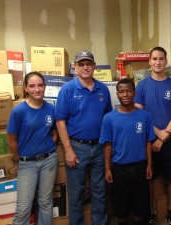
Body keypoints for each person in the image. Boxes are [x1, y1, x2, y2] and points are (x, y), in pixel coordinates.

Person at [55, 50, 112, 225]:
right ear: (75, 67)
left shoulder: (102, 89)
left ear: (94, 66)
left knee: (99, 192)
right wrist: (69, 150)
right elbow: (60, 121)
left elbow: (108, 118)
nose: (85, 67)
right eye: (81, 64)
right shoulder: (67, 89)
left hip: (99, 148)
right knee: (76, 194)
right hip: (77, 148)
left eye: (89, 64)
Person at [134, 46, 171, 225]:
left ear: (166, 61)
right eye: (154, 59)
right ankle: (151, 212)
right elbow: (139, 114)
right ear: (149, 61)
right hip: (149, 139)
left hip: (170, 138)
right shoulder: (142, 85)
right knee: (150, 177)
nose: (158, 62)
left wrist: (164, 136)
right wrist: (157, 134)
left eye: (161, 59)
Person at [100, 78, 156, 225]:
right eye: (122, 92)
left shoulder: (145, 116)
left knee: (140, 209)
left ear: (134, 93)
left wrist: (149, 165)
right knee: (121, 210)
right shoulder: (109, 118)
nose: (125, 94)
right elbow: (107, 145)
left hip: (140, 167)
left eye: (129, 91)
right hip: (119, 169)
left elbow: (148, 142)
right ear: (117, 94)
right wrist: (107, 169)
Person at [7, 71, 58, 225]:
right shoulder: (18, 111)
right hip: (27, 164)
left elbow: (54, 134)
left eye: (40, 85)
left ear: (45, 86)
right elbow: (11, 141)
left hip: (49, 161)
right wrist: (22, 158)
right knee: (23, 208)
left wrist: (48, 150)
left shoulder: (51, 109)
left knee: (45, 203)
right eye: (32, 86)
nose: (37, 89)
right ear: (25, 88)